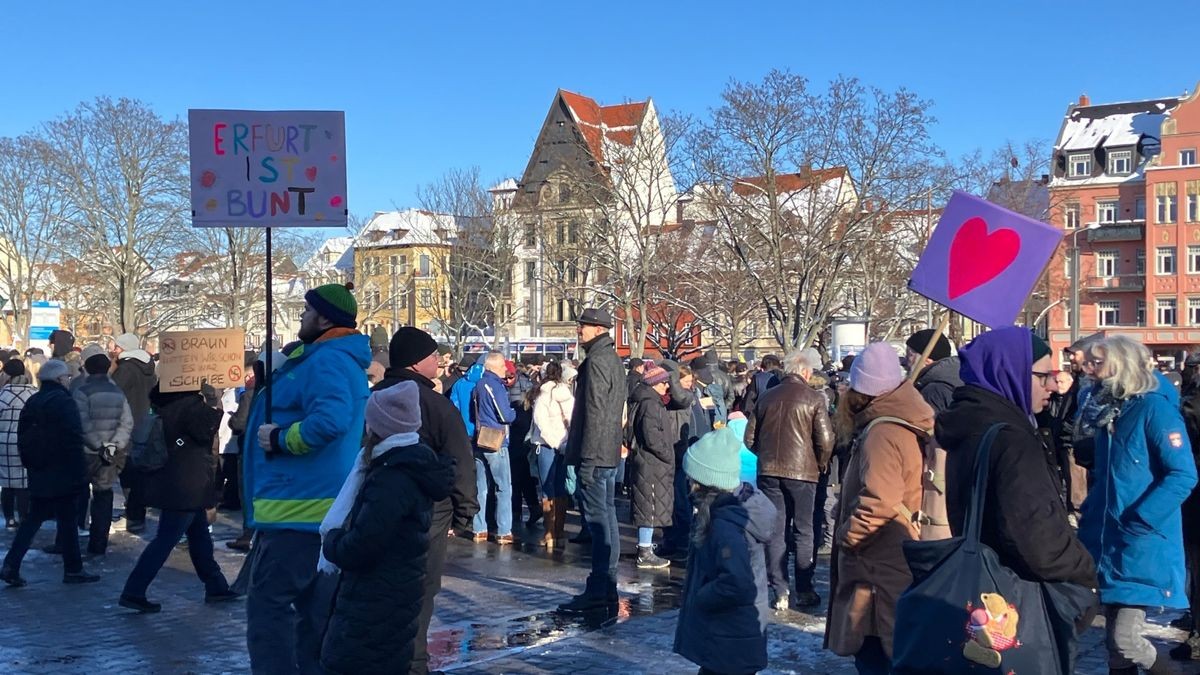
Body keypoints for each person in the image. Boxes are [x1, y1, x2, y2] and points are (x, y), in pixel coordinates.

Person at [936, 327, 1097, 660]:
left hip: (987, 593)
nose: (1053, 386)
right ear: (1010, 374)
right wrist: (1083, 571)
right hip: (1020, 600)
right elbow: (1036, 536)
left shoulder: (971, 423)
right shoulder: (1011, 439)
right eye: (1042, 377)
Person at [244, 283, 372, 675]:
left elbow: (329, 421)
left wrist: (280, 439)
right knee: (314, 619)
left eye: (305, 311)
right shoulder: (321, 358)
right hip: (307, 509)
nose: (300, 317)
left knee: (269, 609)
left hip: (298, 512)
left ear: (325, 318)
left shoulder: (327, 361)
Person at [1075, 336, 1197, 673]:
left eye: (1098, 363)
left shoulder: (1154, 409)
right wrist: (1090, 514)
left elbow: (1183, 474)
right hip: (1108, 541)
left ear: (1122, 365)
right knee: (1115, 647)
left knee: (1126, 640)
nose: (1089, 370)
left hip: (1141, 543)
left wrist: (1142, 518)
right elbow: (1108, 479)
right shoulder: (1110, 411)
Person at [318, 381, 454, 675]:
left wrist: (332, 541)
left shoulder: (392, 477)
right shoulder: (406, 465)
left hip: (376, 600)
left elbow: (363, 545)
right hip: (393, 594)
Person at [373, 327, 478, 675]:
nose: (440, 360)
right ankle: (414, 663)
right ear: (417, 363)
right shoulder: (435, 405)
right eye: (434, 355)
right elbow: (461, 461)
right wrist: (464, 515)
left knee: (376, 591)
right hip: (428, 514)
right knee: (420, 592)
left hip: (373, 510)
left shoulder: (373, 398)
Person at [825, 343, 934, 674]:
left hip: (877, 565)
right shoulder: (902, 420)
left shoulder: (883, 431)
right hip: (893, 556)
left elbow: (879, 501)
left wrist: (847, 536)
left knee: (878, 654)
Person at [118, 383, 237, 612]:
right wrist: (213, 401)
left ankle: (216, 586)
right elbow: (207, 430)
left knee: (199, 536)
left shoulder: (168, 407)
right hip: (186, 485)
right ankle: (134, 590)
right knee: (165, 540)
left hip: (180, 482)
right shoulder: (189, 407)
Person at [673, 424, 776, 675]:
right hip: (731, 637)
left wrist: (702, 596)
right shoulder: (725, 514)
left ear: (704, 482)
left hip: (729, 639)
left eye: (691, 477)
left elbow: (736, 582)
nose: (687, 482)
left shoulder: (724, 526)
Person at [744, 348, 835, 610]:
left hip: (769, 471)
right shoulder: (814, 398)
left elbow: (749, 439)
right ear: (806, 372)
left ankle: (780, 589)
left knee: (776, 530)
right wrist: (820, 463)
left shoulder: (766, 398)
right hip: (804, 473)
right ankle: (804, 589)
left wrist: (766, 457)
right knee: (804, 530)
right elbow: (826, 440)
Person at [0, 360, 100, 586]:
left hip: (40, 470)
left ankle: (12, 564)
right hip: (63, 471)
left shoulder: (34, 401)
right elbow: (74, 438)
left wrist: (31, 464)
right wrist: (80, 472)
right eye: (66, 377)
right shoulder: (64, 402)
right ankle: (73, 569)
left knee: (35, 519)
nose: (68, 380)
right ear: (59, 379)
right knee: (67, 519)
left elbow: (22, 437)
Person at [560, 308, 626, 613]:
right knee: (606, 519)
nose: (578, 330)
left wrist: (586, 458)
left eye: (583, 326)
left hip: (596, 453)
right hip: (605, 452)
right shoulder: (610, 360)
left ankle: (601, 587)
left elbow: (597, 413)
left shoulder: (598, 361)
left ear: (598, 329)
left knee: (600, 522)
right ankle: (605, 586)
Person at [72, 349, 133, 557]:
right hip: (110, 452)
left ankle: (69, 540)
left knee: (77, 494)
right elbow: (127, 422)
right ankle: (99, 543)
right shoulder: (118, 393)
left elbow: (81, 423)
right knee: (103, 495)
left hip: (86, 452)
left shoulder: (82, 392)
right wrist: (113, 445)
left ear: (87, 369)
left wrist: (97, 444)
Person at [904, 329, 962, 542]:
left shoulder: (933, 390)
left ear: (926, 359)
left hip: (938, 480)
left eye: (910, 353)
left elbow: (930, 437)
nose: (906, 360)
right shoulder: (955, 379)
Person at [627, 363, 675, 569]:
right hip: (652, 462)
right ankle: (645, 550)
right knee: (650, 504)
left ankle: (646, 547)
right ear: (655, 383)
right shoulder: (651, 404)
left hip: (648, 461)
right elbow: (652, 436)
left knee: (649, 503)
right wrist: (666, 454)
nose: (667, 386)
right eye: (664, 382)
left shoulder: (647, 400)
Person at [111, 332, 157, 533]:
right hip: (145, 423)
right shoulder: (147, 368)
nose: (114, 350)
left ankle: (134, 516)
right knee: (136, 471)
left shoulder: (126, 368)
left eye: (117, 347)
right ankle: (135, 512)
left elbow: (114, 394)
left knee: (128, 472)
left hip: (127, 424)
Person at [470, 351, 517, 544]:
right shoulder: (495, 386)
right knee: (503, 487)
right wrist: (514, 413)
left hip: (480, 439)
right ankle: (504, 530)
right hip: (496, 441)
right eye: (503, 366)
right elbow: (505, 415)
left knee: (481, 487)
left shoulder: (478, 385)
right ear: (494, 367)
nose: (505, 369)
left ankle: (479, 528)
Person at [529, 360, 574, 549]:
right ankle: (560, 532)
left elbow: (540, 421)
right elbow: (573, 420)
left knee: (547, 489)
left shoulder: (543, 395)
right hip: (564, 445)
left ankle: (548, 534)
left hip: (546, 445)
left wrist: (551, 440)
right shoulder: (568, 395)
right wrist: (563, 442)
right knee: (561, 488)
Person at [506, 359, 542, 531]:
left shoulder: (513, 390)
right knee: (523, 477)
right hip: (524, 436)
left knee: (516, 477)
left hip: (516, 435)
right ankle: (532, 508)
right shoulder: (526, 383)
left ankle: (518, 511)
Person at [0, 360, 35, 528]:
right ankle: (24, 516)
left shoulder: (3, 395)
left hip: (4, 442)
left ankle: (9, 518)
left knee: (7, 483)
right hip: (28, 442)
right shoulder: (33, 394)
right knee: (24, 482)